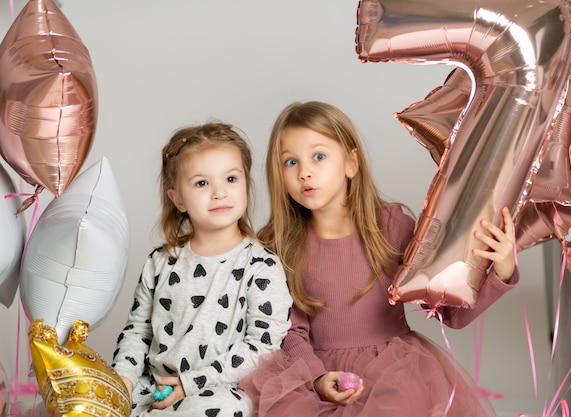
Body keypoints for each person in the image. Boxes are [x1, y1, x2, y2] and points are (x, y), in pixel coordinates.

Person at [239, 101, 519, 417]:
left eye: (319, 156)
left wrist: (502, 270)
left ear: (351, 163)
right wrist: (317, 379)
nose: (304, 171)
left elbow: (450, 312)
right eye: (290, 162)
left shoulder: (390, 227)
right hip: (314, 372)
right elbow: (288, 331)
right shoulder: (279, 246)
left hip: (394, 371)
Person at [112, 122, 292, 417]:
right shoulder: (160, 261)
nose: (219, 193)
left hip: (220, 388)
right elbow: (139, 331)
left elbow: (263, 347)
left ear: (246, 183)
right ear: (178, 199)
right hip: (155, 386)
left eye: (231, 179)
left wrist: (192, 382)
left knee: (215, 409)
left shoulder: (261, 266)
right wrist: (124, 380)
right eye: (201, 183)